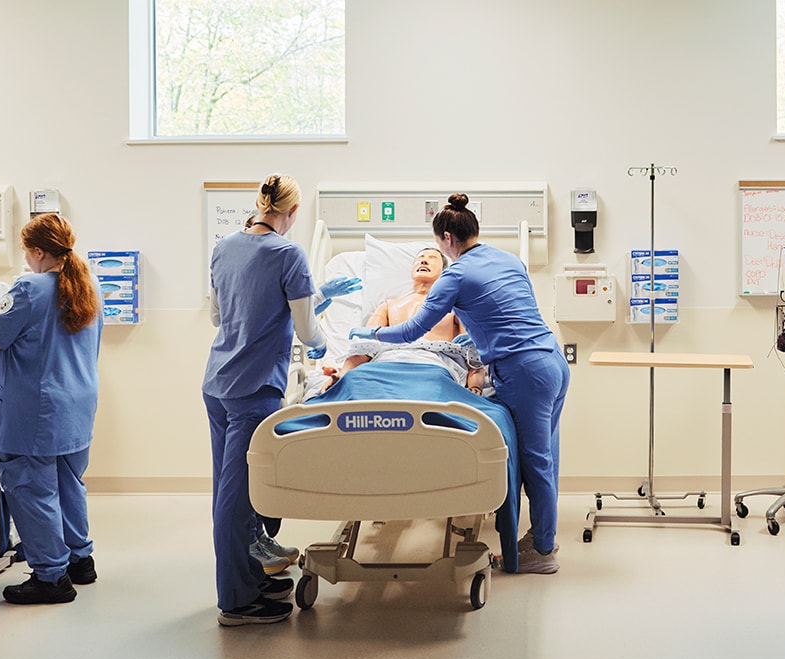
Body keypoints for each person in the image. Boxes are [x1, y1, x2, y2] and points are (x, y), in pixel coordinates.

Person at [351, 194, 571, 575]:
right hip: (552, 361)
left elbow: (413, 331)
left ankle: (543, 550)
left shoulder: (454, 277)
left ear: (448, 239)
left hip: (524, 372)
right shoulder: (509, 260)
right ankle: (541, 538)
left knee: (535, 463)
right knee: (546, 457)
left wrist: (371, 334)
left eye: (437, 246)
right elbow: (511, 314)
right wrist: (477, 339)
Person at [203, 174, 358, 625]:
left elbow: (218, 315)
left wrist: (302, 302)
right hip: (254, 388)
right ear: (292, 212)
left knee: (233, 491)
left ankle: (252, 578)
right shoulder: (288, 253)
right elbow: (307, 330)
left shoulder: (225, 246)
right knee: (238, 500)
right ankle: (237, 601)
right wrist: (319, 340)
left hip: (217, 381)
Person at [0, 213, 103, 605]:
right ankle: (79, 560)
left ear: (37, 252)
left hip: (36, 408)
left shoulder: (28, 288)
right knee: (68, 482)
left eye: (27, 252)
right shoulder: (89, 282)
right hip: (77, 403)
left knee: (31, 488)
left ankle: (50, 577)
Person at [312, 248, 486, 394]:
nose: (424, 261)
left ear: (444, 272)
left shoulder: (455, 308)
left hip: (431, 365)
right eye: (420, 258)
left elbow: (473, 356)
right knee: (357, 385)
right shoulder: (388, 306)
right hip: (383, 365)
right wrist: (342, 376)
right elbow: (365, 347)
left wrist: (475, 386)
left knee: (431, 390)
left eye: (432, 258)